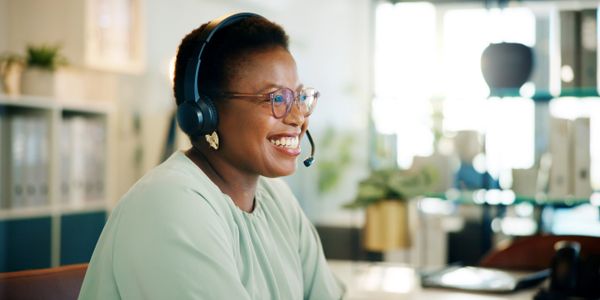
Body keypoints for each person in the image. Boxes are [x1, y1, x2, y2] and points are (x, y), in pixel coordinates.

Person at [78, 13, 345, 300]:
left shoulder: (277, 200)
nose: (298, 117)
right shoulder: (169, 204)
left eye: (299, 98)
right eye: (277, 99)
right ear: (205, 113)